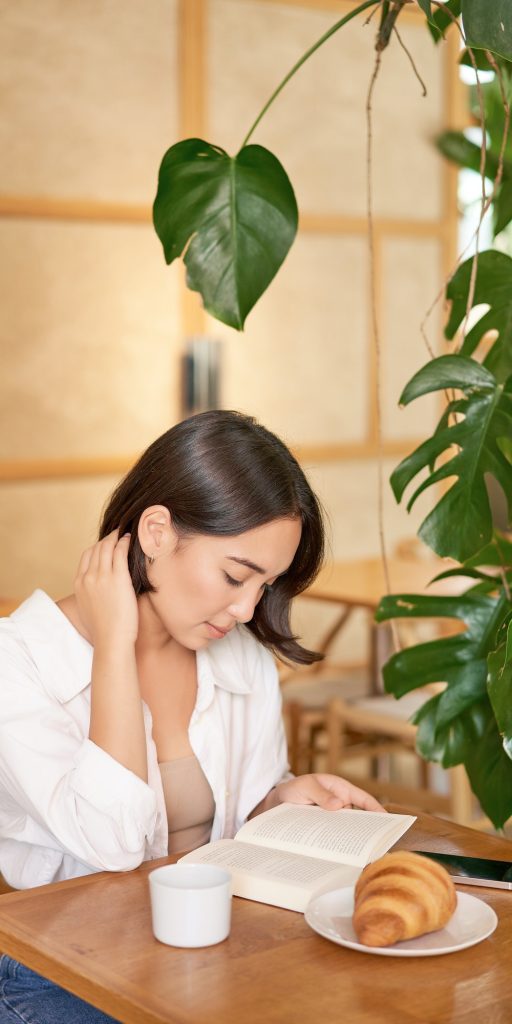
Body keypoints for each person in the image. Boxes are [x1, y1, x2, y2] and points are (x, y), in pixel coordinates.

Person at [0, 410, 381, 1023]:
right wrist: (116, 646)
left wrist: (278, 803)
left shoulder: (239, 654)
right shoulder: (15, 662)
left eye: (267, 585)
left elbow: (221, 832)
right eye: (236, 575)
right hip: (60, 978)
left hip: (213, 955)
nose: (246, 607)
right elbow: (114, 846)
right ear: (156, 532)